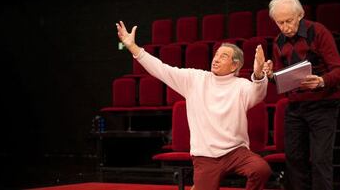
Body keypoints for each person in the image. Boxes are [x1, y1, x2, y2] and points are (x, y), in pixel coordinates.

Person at [116, 21, 271, 190]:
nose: (216, 59)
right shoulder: (195, 79)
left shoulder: (241, 85)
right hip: (205, 156)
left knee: (261, 169)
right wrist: (132, 47)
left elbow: (258, 93)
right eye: (216, 54)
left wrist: (258, 73)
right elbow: (161, 69)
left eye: (223, 56)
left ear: (235, 65)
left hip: (236, 152)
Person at [263, 0, 340, 190]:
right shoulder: (278, 42)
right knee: (294, 159)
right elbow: (281, 79)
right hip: (296, 105)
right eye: (280, 23)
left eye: (289, 21)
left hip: (323, 103)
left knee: (320, 160)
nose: (285, 27)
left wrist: (320, 81)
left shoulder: (317, 32)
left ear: (300, 15)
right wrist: (270, 75)